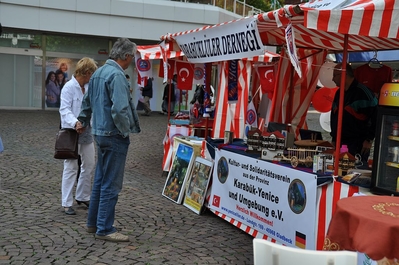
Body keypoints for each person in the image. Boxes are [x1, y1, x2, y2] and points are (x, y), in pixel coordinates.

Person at [76, 38, 140, 242]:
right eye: (132, 56)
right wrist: (124, 132)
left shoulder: (98, 74)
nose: (132, 60)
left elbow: (86, 104)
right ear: (126, 56)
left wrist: (83, 120)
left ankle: (93, 223)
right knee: (111, 183)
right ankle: (104, 228)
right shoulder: (117, 75)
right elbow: (120, 109)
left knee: (100, 180)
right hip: (113, 135)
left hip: (100, 134)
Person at [59, 57, 98, 215]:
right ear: (87, 73)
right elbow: (64, 110)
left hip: (87, 132)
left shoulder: (89, 87)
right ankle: (67, 202)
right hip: (72, 132)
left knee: (88, 164)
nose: (93, 77)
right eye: (92, 74)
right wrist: (76, 123)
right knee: (71, 167)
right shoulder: (69, 87)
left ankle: (83, 196)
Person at [330, 63, 378, 162]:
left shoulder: (363, 92)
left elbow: (376, 117)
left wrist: (369, 139)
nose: (332, 79)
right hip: (340, 142)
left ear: (344, 75)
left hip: (358, 144)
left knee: (353, 174)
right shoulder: (339, 93)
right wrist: (334, 139)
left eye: (335, 75)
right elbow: (333, 116)